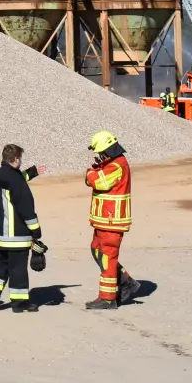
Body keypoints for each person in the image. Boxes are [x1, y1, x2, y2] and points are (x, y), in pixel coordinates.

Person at [0, 144, 47, 313]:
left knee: (0, 265)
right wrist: (36, 230)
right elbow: (25, 207)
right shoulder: (15, 179)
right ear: (16, 159)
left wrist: (32, 172)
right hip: (16, 234)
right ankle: (19, 303)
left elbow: (13, 180)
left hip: (0, 234)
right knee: (18, 269)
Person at [83, 131, 139, 310]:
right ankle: (126, 281)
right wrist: (96, 170)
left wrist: (90, 172)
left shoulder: (117, 165)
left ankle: (107, 299)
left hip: (111, 221)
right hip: (104, 220)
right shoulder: (111, 164)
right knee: (97, 250)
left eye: (100, 153)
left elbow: (98, 182)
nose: (99, 156)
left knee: (107, 257)